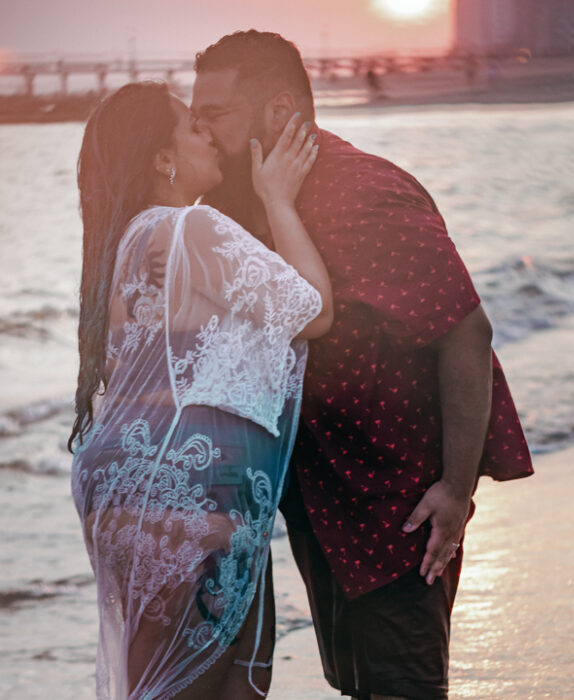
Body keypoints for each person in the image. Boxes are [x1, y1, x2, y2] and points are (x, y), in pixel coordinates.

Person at [192, 30, 534, 700]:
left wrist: (457, 491)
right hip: (324, 499)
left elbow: (465, 330)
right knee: (358, 684)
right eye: (194, 114)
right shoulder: (247, 203)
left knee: (403, 687)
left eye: (216, 114)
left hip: (396, 510)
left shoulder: (364, 191)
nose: (201, 130)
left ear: (280, 111)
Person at [68, 81, 332, 699]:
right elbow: (312, 311)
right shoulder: (191, 229)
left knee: (169, 678)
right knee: (220, 679)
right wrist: (280, 201)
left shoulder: (126, 243)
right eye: (192, 127)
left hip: (121, 481)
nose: (207, 133)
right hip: (187, 483)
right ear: (162, 157)